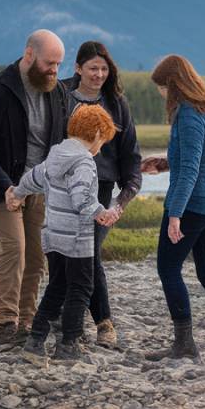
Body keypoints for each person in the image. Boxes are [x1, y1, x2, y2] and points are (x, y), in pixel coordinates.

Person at [0, 30, 69, 347]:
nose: (55, 70)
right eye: (50, 63)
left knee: (37, 258)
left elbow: (62, 142)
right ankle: (5, 324)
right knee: (15, 249)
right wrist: (6, 185)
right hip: (1, 189)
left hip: (38, 188)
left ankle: (27, 321)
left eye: (59, 64)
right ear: (28, 55)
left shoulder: (57, 92)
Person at [142, 54, 205, 361]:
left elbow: (190, 170)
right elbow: (202, 158)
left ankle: (184, 345)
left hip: (193, 205)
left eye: (161, 87)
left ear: (172, 84)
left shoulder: (187, 114)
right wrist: (163, 163)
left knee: (168, 268)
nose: (161, 94)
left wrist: (175, 213)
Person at [8, 104, 118, 361]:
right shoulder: (84, 163)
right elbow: (81, 198)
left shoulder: (55, 156)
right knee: (81, 288)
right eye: (103, 141)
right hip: (77, 239)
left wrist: (16, 193)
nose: (101, 148)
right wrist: (100, 211)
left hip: (53, 236)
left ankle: (35, 341)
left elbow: (32, 178)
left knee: (57, 286)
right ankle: (68, 344)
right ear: (98, 134)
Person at [60, 41, 142, 348]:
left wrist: (124, 198)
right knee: (66, 254)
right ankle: (69, 319)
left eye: (104, 69)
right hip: (64, 185)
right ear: (78, 68)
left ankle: (103, 323)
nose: (99, 74)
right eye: (93, 68)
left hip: (102, 187)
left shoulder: (116, 103)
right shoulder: (60, 96)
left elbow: (131, 155)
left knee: (88, 252)